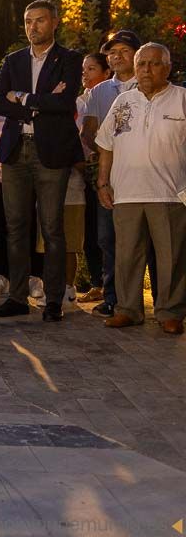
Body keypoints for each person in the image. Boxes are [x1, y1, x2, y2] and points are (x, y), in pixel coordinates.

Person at [0, 0, 83, 322]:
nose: (33, 27)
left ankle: (53, 299)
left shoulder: (69, 59)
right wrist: (40, 104)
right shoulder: (13, 60)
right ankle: (17, 296)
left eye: (39, 21)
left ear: (54, 22)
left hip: (51, 152)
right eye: (28, 21)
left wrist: (24, 98)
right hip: (17, 151)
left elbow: (66, 102)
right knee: (15, 227)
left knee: (52, 228)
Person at [95, 43, 186, 334]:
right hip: (126, 193)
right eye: (141, 64)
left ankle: (170, 312)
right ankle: (128, 310)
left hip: (170, 193)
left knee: (172, 258)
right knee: (125, 256)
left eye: (154, 64)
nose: (146, 70)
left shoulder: (182, 99)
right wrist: (102, 182)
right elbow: (106, 144)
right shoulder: (123, 102)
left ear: (168, 68)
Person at [81, 31, 140, 319]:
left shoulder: (148, 85)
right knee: (107, 237)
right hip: (107, 173)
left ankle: (148, 301)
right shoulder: (100, 91)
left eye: (124, 50)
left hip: (143, 174)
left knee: (146, 239)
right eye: (111, 52)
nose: (116, 56)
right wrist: (108, 151)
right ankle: (112, 298)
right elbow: (88, 130)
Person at [76, 51, 111, 303]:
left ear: (106, 72)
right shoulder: (79, 101)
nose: (85, 74)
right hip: (83, 170)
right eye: (83, 69)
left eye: (91, 69)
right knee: (90, 228)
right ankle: (98, 282)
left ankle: (112, 284)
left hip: (108, 168)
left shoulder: (112, 96)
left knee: (107, 230)